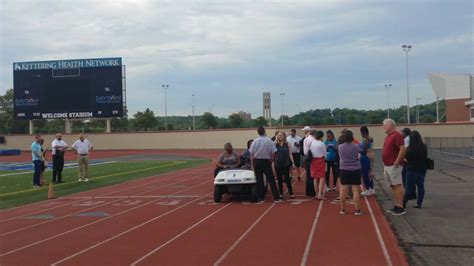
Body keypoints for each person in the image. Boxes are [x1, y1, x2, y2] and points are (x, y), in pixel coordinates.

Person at [249, 126, 282, 203]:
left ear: (258, 132)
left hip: (256, 161)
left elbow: (251, 153)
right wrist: (271, 160)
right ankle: (276, 198)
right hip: (266, 161)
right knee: (271, 179)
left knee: (259, 180)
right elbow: (273, 152)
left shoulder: (255, 141)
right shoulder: (269, 141)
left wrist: (252, 163)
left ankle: (261, 198)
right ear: (264, 131)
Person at [382, 119, 407, 216]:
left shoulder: (397, 135)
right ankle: (396, 205)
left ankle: (401, 207)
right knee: (392, 185)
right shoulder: (388, 137)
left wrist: (397, 160)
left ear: (391, 125)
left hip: (394, 165)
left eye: (385, 125)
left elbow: (402, 148)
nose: (383, 126)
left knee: (397, 185)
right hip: (387, 165)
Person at [338, 130, 363, 216]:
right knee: (356, 190)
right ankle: (357, 209)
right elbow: (360, 153)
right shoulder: (356, 146)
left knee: (343, 189)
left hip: (344, 169)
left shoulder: (340, 147)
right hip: (355, 169)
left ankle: (342, 209)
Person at [403, 131, 427, 209]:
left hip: (412, 169)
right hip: (422, 169)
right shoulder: (424, 146)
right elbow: (425, 155)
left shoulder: (410, 148)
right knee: (421, 186)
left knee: (409, 188)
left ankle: (403, 203)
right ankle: (419, 203)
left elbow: (407, 158)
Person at [274, 132, 295, 199]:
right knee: (279, 179)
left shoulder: (287, 144)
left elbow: (290, 154)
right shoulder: (275, 144)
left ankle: (291, 193)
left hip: (286, 164)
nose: (280, 136)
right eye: (279, 135)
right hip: (278, 164)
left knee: (287, 179)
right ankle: (281, 194)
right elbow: (273, 152)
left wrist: (293, 162)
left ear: (284, 136)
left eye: (281, 135)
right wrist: (276, 139)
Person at [309, 130, 327, 200]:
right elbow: (325, 154)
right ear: (322, 136)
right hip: (320, 160)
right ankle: (320, 194)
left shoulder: (312, 142)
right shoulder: (322, 144)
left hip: (313, 161)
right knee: (322, 177)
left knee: (315, 177)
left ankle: (316, 194)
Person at [401, 128, 416, 200]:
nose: (401, 134)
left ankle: (409, 193)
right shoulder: (411, 138)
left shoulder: (406, 139)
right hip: (412, 161)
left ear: (405, 133)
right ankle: (413, 193)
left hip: (407, 161)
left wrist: (403, 157)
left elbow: (405, 149)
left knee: (405, 177)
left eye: (402, 132)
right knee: (411, 177)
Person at [360, 126, 375, 196]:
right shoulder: (370, 138)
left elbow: (364, 151)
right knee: (370, 172)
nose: (361, 134)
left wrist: (358, 149)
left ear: (364, 132)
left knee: (365, 173)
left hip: (366, 156)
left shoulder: (365, 140)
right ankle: (371, 188)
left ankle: (368, 188)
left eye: (361, 132)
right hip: (371, 155)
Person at [302, 126, 316, 197]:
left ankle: (308, 191)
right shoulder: (313, 140)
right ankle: (312, 191)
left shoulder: (306, 139)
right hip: (311, 158)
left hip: (306, 157)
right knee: (312, 175)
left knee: (308, 175)